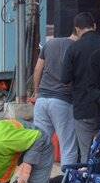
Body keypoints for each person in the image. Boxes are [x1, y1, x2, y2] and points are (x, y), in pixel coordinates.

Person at [61, 12, 100, 162]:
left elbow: (65, 79)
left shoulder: (73, 49)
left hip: (83, 107)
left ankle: (88, 182)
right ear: (94, 26)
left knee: (86, 154)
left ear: (77, 29)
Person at [30, 32, 78, 166]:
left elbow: (38, 68)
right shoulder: (77, 47)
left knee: (39, 144)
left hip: (42, 100)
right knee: (67, 145)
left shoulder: (50, 43)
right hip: (63, 100)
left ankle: (33, 179)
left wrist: (36, 92)